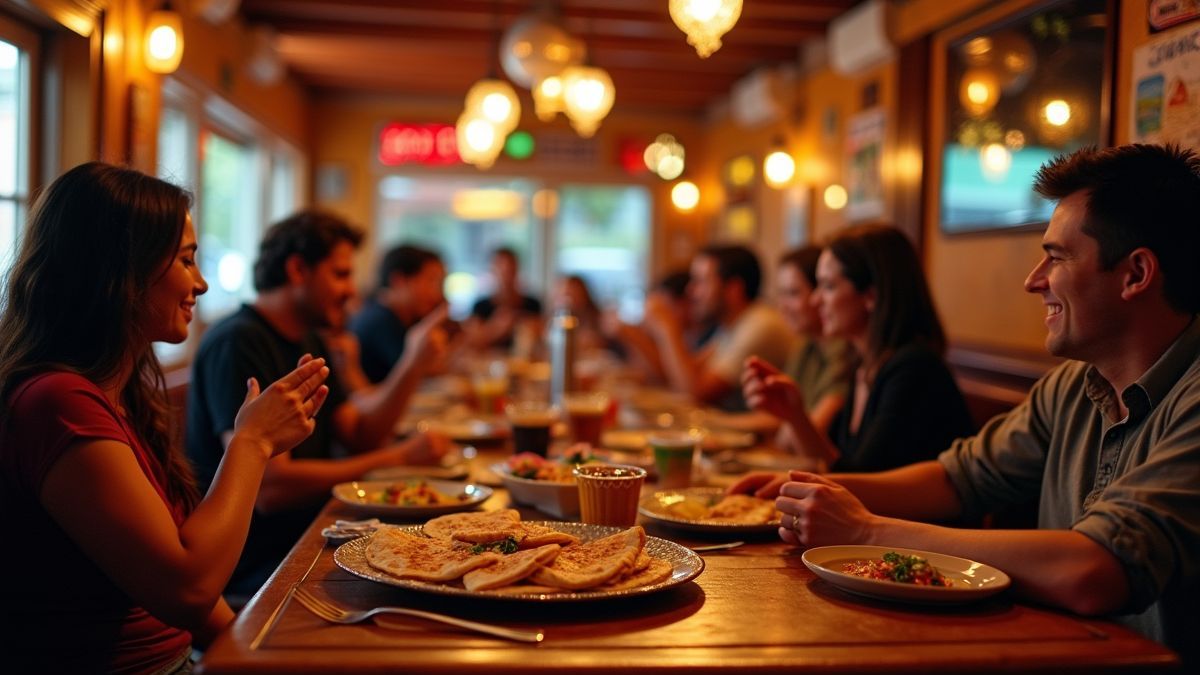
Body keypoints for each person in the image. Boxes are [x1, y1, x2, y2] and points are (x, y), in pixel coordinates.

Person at [734, 144, 1200, 665]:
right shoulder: (1071, 385)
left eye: (1058, 256)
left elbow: (1095, 572)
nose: (1034, 279)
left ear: (1135, 274)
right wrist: (814, 489)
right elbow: (959, 479)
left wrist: (866, 531)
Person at [0, 163, 329, 672]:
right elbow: (188, 589)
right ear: (121, 271)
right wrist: (253, 442)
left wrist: (255, 649)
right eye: (185, 260)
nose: (199, 283)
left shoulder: (117, 390)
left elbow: (190, 593)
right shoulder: (57, 404)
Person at [186, 210, 449, 598]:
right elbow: (271, 490)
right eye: (340, 274)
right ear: (297, 270)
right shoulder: (239, 342)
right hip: (261, 567)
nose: (351, 290)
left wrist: (412, 364)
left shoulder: (311, 337)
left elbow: (360, 434)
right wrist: (397, 458)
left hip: (315, 537)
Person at [742, 226, 973, 471]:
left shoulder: (914, 369)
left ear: (871, 296)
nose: (815, 299)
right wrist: (795, 416)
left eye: (828, 286)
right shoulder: (863, 364)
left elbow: (862, 483)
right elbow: (840, 469)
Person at [647, 244, 793, 410]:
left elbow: (694, 393)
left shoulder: (760, 325)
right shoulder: (730, 325)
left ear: (733, 289)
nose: (691, 291)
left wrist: (667, 329)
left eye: (701, 282)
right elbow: (682, 373)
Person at [773, 245, 852, 441]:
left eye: (792, 293)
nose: (782, 306)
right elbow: (779, 419)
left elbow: (797, 435)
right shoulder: (806, 344)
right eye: (781, 294)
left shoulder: (846, 351)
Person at [349, 244, 447, 383]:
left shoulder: (398, 317)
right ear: (399, 281)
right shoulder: (378, 320)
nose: (436, 294)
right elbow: (425, 373)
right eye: (431, 281)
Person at [465, 247, 543, 352]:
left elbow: (542, 339)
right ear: (492, 270)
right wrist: (496, 328)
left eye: (510, 268)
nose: (506, 273)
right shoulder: (480, 306)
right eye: (500, 267)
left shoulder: (533, 304)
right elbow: (471, 343)